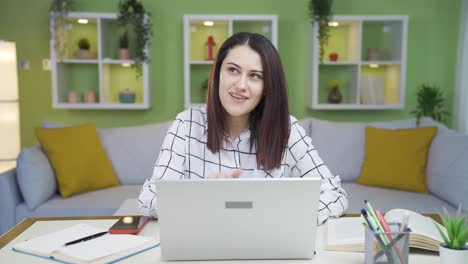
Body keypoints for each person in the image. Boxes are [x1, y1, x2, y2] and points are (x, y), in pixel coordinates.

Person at [138, 32, 348, 224]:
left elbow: (334, 193)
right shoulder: (187, 124)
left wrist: (291, 218)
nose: (241, 85)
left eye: (255, 76)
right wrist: (200, 199)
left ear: (268, 87)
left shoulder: (288, 129)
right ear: (218, 73)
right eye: (233, 70)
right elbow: (150, 196)